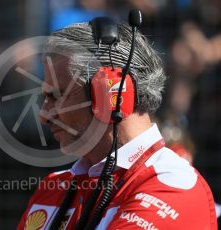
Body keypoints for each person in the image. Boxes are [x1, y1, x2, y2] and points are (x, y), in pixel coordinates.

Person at [17, 19, 217, 229]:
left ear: (111, 94)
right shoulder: (54, 187)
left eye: (56, 96)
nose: (43, 115)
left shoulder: (173, 185)